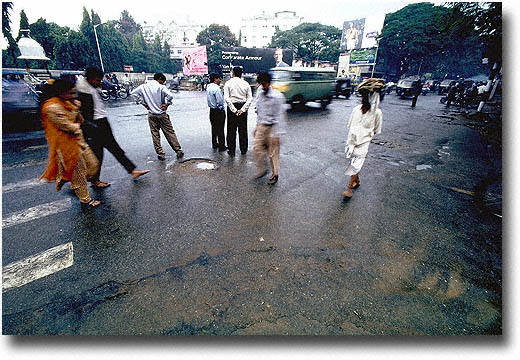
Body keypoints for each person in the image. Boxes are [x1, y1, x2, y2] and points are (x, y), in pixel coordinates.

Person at [76, 67, 150, 188]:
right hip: (96, 125)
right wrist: (90, 129)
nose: (100, 82)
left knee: (107, 151)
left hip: (101, 122)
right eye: (98, 80)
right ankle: (86, 180)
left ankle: (129, 171)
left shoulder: (90, 87)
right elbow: (83, 115)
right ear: (90, 78)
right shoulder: (83, 91)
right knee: (103, 152)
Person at [39, 79, 101, 208]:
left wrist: (76, 108)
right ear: (61, 93)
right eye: (71, 93)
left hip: (78, 140)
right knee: (79, 173)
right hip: (65, 145)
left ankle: (68, 178)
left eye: (74, 92)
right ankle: (86, 200)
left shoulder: (70, 102)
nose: (74, 95)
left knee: (93, 165)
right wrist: (77, 114)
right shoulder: (52, 107)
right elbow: (69, 127)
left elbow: (79, 120)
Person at [343, 78, 384, 198]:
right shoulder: (356, 110)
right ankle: (357, 181)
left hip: (364, 143)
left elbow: (376, 130)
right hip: (351, 141)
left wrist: (365, 135)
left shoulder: (377, 113)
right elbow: (350, 125)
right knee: (355, 163)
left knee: (356, 165)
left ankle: (349, 189)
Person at [131, 73, 184, 161]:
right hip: (162, 113)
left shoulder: (143, 87)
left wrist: (144, 104)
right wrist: (166, 104)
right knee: (169, 133)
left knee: (155, 134)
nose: (163, 83)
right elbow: (170, 96)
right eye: (163, 82)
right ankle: (178, 151)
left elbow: (133, 94)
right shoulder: (161, 87)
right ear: (160, 79)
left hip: (151, 114)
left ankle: (160, 154)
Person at [253, 72, 287, 185]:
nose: (263, 87)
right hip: (262, 125)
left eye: (264, 84)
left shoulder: (277, 96)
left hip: (273, 126)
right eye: (261, 84)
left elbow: (280, 116)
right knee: (257, 148)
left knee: (273, 154)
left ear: (269, 83)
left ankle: (275, 174)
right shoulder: (260, 95)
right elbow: (259, 112)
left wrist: (277, 134)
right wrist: (257, 127)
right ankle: (263, 168)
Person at [223, 66, 253, 156]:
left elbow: (226, 98)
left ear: (233, 73)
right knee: (243, 129)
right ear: (241, 74)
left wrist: (234, 110)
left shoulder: (228, 83)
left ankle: (231, 151)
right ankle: (243, 150)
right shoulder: (246, 84)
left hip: (232, 107)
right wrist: (242, 110)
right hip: (242, 107)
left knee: (231, 130)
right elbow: (250, 98)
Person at [206, 73, 227, 152]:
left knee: (214, 128)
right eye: (219, 79)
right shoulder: (217, 89)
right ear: (215, 79)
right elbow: (220, 102)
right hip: (218, 110)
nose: (220, 80)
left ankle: (214, 143)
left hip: (212, 110)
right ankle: (222, 146)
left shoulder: (208, 87)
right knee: (220, 128)